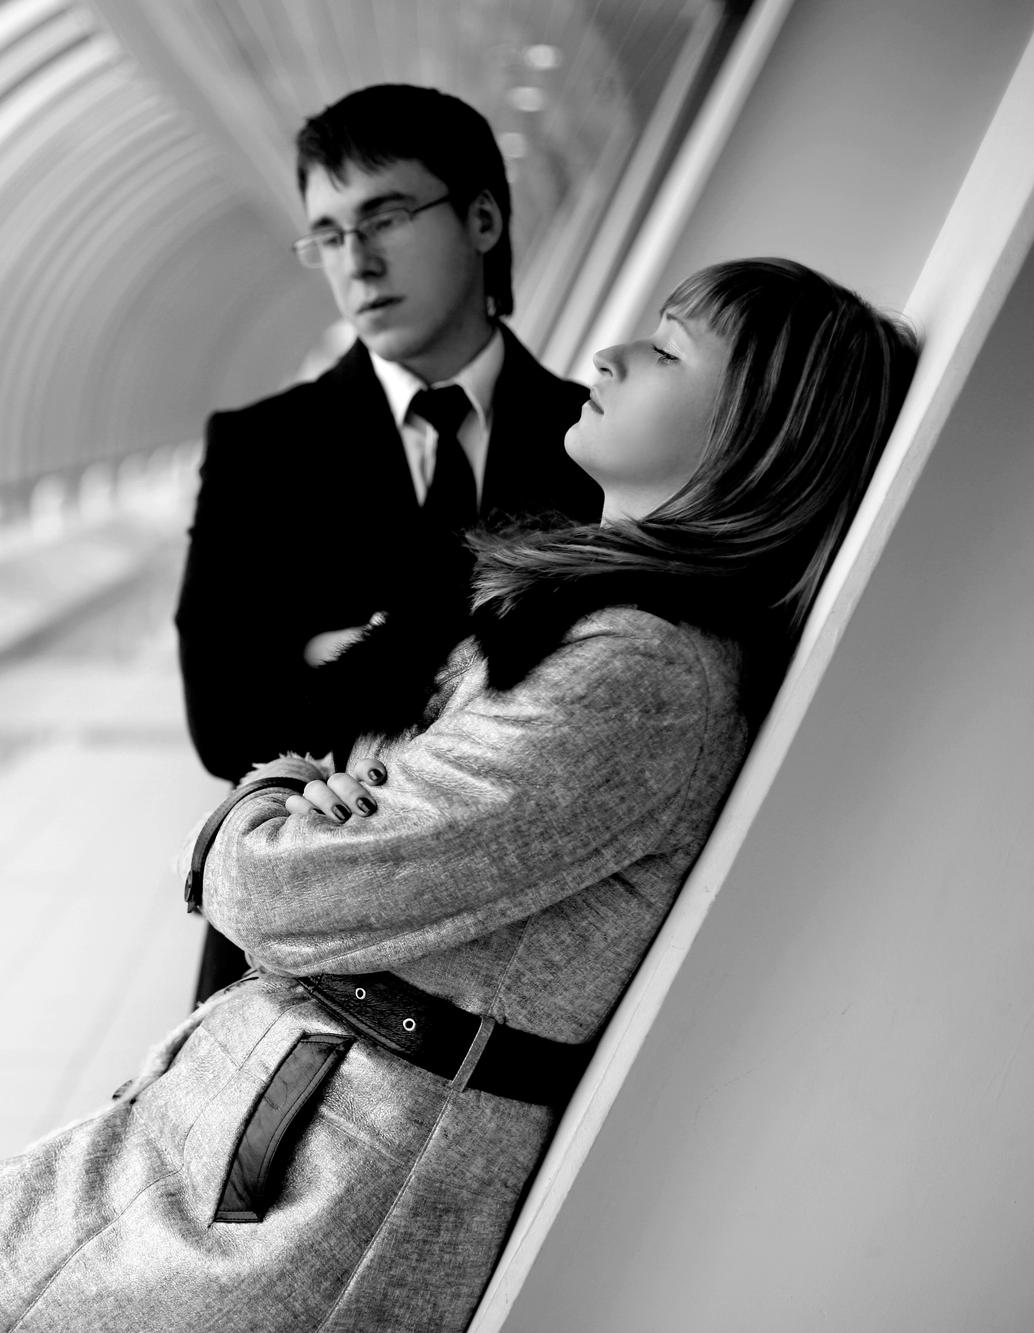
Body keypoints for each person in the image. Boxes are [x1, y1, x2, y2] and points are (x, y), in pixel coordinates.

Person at [0, 258, 916, 1333]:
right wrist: (310, 805)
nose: (611, 351)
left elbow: (286, 886)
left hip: (305, 1184)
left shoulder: (638, 672)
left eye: (664, 347)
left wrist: (264, 800)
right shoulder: (600, 633)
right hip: (272, 1121)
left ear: (753, 428)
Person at [178, 85, 602, 1005]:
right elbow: (223, 719)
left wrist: (332, 657)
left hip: (505, 975)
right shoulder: (260, 448)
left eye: (387, 217)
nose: (356, 262)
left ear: (483, 218)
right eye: (327, 235)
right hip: (288, 971)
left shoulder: (597, 440)